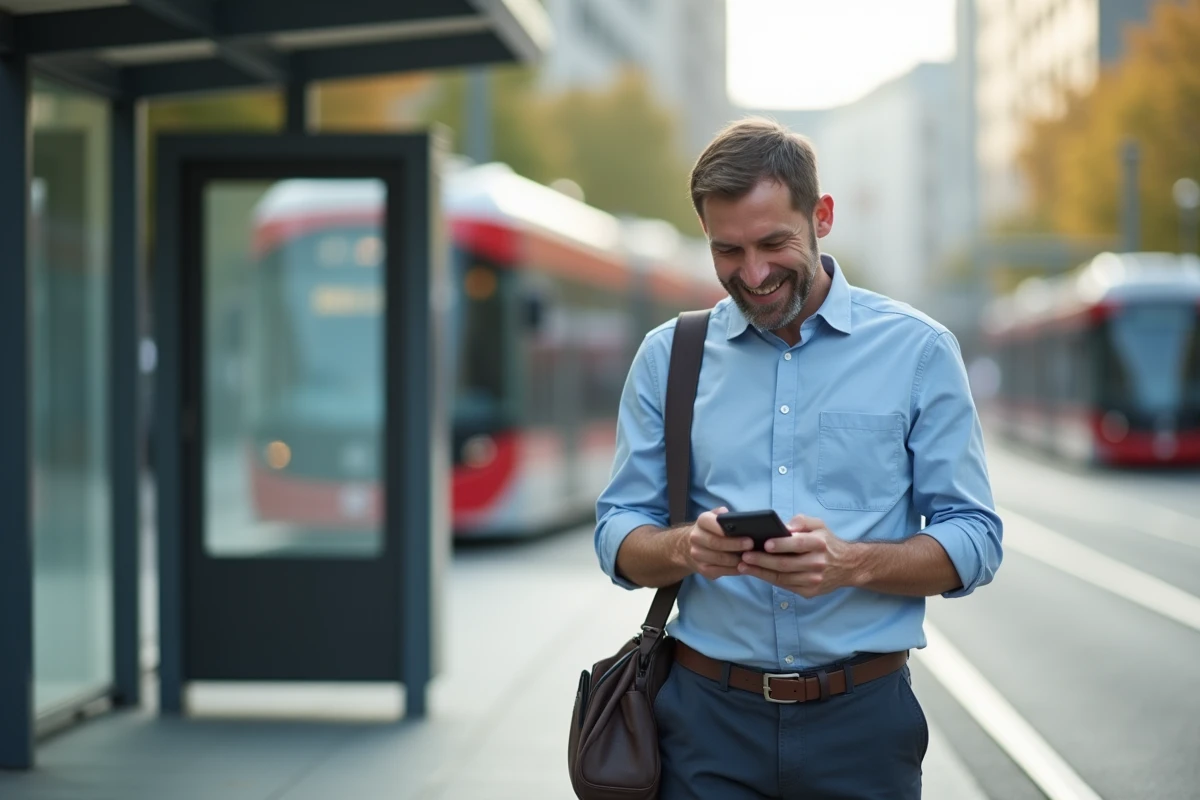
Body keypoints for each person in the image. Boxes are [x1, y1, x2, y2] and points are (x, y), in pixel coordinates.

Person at [594, 117, 1003, 800]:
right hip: (705, 725)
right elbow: (617, 536)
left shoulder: (919, 351)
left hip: (863, 726)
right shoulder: (668, 358)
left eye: (773, 243)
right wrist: (687, 548)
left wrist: (851, 563)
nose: (753, 274)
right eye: (728, 250)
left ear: (822, 217)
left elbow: (977, 538)